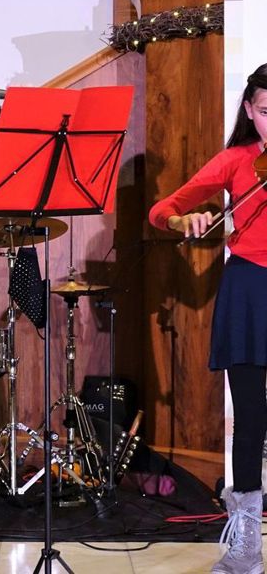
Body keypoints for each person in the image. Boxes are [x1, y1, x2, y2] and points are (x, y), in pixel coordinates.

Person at [149, 64, 267, 574]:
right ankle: (246, 543)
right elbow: (162, 208)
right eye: (266, 112)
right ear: (249, 110)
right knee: (250, 421)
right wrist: (185, 219)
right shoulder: (238, 161)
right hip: (249, 288)